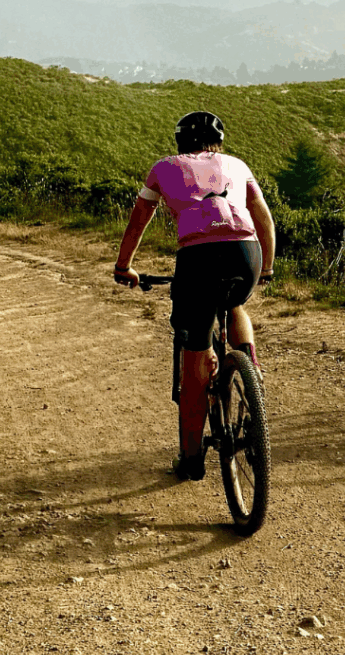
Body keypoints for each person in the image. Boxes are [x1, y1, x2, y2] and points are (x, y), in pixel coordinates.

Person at [113, 111, 276, 481]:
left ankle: (191, 459)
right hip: (246, 253)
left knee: (195, 361)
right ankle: (250, 366)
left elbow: (139, 218)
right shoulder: (237, 163)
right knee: (234, 302)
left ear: (179, 142)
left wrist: (124, 266)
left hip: (198, 258)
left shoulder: (163, 167)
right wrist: (267, 268)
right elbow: (262, 215)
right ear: (218, 142)